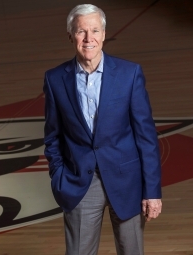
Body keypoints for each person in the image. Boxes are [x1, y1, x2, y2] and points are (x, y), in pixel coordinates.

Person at [43, 4, 162, 255]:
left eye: (95, 30)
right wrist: (59, 177)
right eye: (81, 31)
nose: (89, 38)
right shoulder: (55, 79)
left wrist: (152, 191)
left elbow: (146, 137)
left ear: (104, 34)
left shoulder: (129, 74)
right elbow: (53, 136)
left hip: (127, 183)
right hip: (80, 184)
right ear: (70, 36)